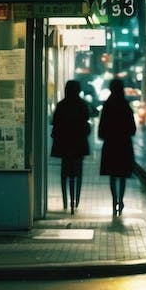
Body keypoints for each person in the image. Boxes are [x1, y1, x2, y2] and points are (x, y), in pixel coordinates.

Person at [50, 79, 91, 213]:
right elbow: (86, 122)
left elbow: (55, 124)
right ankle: (76, 199)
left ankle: (65, 201)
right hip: (79, 144)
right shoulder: (82, 105)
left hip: (64, 145)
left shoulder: (61, 105)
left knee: (64, 173)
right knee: (78, 173)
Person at [98, 76, 136, 215]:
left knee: (113, 175)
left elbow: (101, 129)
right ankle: (121, 199)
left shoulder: (107, 106)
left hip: (110, 145)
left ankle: (114, 201)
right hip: (124, 145)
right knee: (123, 175)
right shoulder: (126, 106)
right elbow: (133, 129)